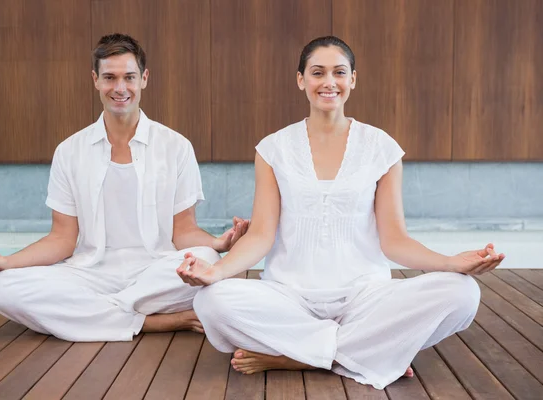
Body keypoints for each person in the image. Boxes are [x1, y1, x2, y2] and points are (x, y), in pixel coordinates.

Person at [176, 36, 504, 390]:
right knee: (211, 301)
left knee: (463, 295)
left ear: (353, 80)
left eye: (339, 72)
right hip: (289, 296)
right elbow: (261, 236)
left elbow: (395, 242)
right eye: (318, 72)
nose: (329, 82)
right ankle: (363, 352)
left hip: (366, 297)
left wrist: (452, 263)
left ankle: (297, 357)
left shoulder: (382, 148)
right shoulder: (274, 149)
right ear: (301, 80)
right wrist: (217, 271)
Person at [0, 33, 248, 342]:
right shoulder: (70, 151)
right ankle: (152, 321)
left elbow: (183, 231)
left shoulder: (176, 147)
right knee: (2, 289)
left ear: (144, 79)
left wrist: (218, 243)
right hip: (88, 273)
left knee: (207, 261)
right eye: (110, 77)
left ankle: (94, 316)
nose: (120, 88)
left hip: (156, 271)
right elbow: (62, 239)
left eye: (129, 77)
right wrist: (4, 262)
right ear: (95, 80)